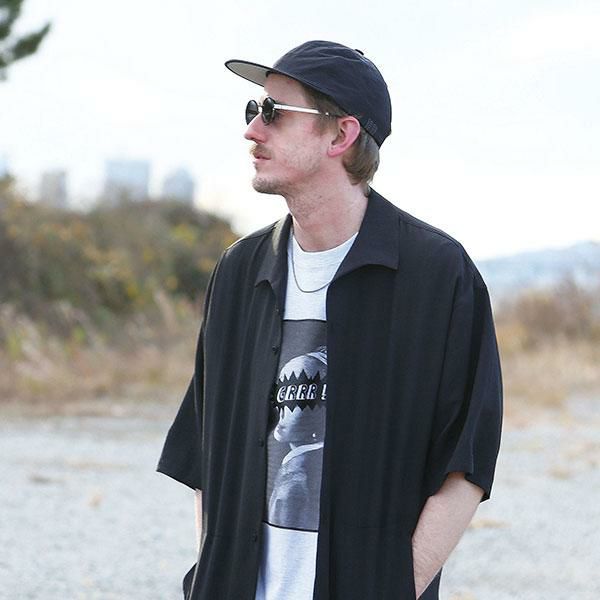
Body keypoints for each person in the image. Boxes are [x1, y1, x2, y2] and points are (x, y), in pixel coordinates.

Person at [157, 40, 503, 600]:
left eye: (274, 112)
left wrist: (397, 588)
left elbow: (466, 464)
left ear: (340, 135)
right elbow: (207, 449)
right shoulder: (239, 271)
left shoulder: (439, 276)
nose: (252, 130)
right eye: (253, 109)